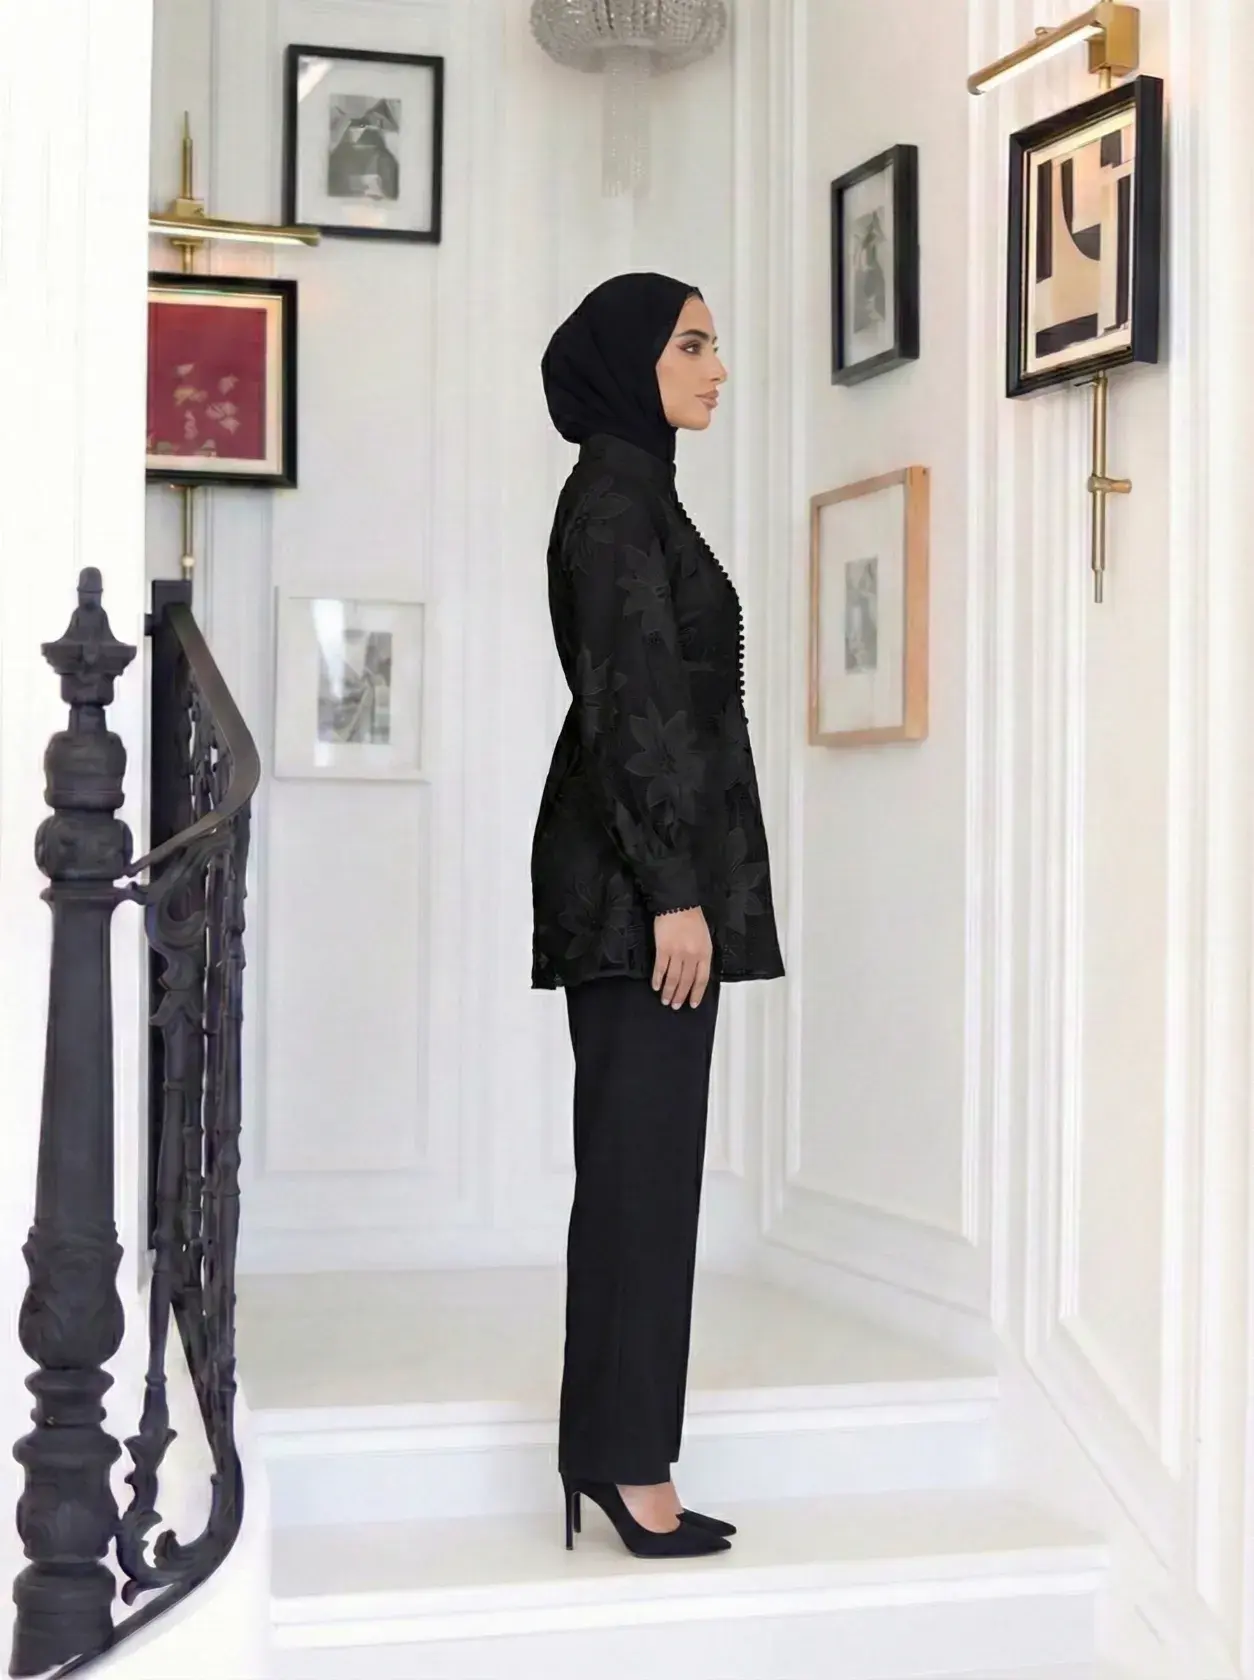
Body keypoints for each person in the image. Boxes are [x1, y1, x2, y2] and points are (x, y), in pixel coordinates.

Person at [531, 272, 785, 1559]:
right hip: (644, 899)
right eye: (693, 345)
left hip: (645, 889)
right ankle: (632, 1468)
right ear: (632, 360)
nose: (716, 368)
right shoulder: (618, 501)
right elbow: (629, 705)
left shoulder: (635, 492)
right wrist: (677, 894)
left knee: (641, 1175)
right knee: (643, 1179)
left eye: (715, 346)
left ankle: (614, 1449)